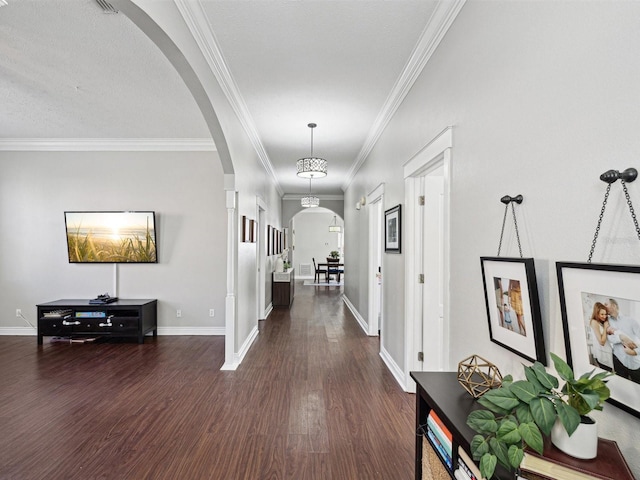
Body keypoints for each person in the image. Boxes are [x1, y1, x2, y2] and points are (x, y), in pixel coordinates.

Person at [606, 298, 640, 383]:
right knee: (622, 386)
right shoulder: (607, 322)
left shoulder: (631, 321)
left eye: (606, 304)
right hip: (618, 360)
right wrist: (621, 337)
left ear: (613, 306)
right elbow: (610, 338)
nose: (604, 306)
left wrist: (635, 352)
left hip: (634, 362)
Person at [589, 302, 613, 371]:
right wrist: (605, 327)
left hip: (605, 353)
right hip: (602, 355)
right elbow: (602, 342)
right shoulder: (594, 322)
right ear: (596, 313)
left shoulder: (600, 322)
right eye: (602, 314)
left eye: (605, 314)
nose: (604, 316)